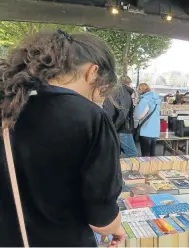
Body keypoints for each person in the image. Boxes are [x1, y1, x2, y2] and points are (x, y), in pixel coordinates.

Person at [0, 30, 124, 246]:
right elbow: (101, 218)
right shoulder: (91, 117)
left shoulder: (10, 106)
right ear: (93, 72)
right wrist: (115, 229)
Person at [103, 75, 138, 157]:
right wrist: (115, 128)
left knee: (116, 154)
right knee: (132, 154)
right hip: (122, 129)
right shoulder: (124, 92)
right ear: (128, 82)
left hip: (116, 127)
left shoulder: (116, 92)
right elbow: (123, 113)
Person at [134, 83, 161, 156]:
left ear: (140, 90)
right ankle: (153, 167)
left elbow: (139, 116)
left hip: (146, 131)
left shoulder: (144, 100)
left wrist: (137, 105)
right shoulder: (156, 99)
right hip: (155, 131)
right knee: (152, 154)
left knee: (145, 155)